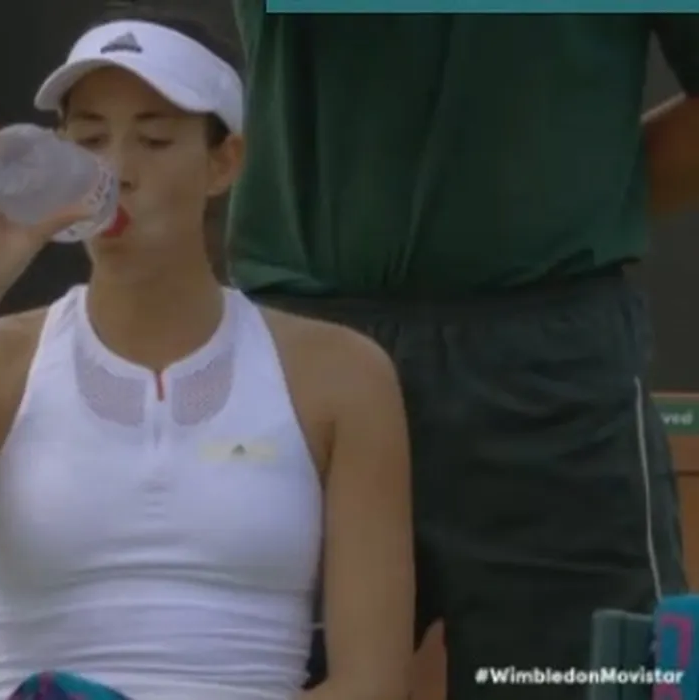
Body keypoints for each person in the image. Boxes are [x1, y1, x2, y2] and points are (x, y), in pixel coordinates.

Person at [0, 6, 415, 700]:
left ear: (224, 162)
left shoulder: (339, 375)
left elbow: (374, 683)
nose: (116, 171)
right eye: (89, 139)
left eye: (155, 140)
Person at [227, 7, 699, 700]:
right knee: (250, 677)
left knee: (588, 678)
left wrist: (584, 204)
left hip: (549, 362)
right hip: (307, 354)